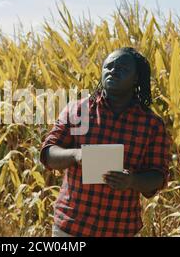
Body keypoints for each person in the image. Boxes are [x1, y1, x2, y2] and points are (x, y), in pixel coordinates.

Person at [40, 47, 172, 237]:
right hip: (71, 228)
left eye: (123, 68)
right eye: (108, 66)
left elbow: (158, 176)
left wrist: (132, 180)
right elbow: (47, 154)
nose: (113, 70)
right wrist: (76, 154)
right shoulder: (77, 111)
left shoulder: (152, 125)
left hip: (119, 229)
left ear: (136, 78)